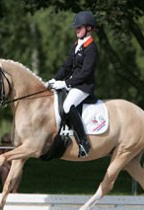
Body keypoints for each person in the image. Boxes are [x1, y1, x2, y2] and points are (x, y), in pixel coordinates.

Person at [46, 11, 98, 158]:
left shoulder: (91, 48)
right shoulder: (77, 45)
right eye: (76, 28)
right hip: (74, 84)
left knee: (68, 106)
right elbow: (66, 66)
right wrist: (54, 80)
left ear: (88, 28)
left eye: (79, 28)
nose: (76, 30)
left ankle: (84, 142)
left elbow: (86, 73)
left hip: (84, 86)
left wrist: (65, 83)